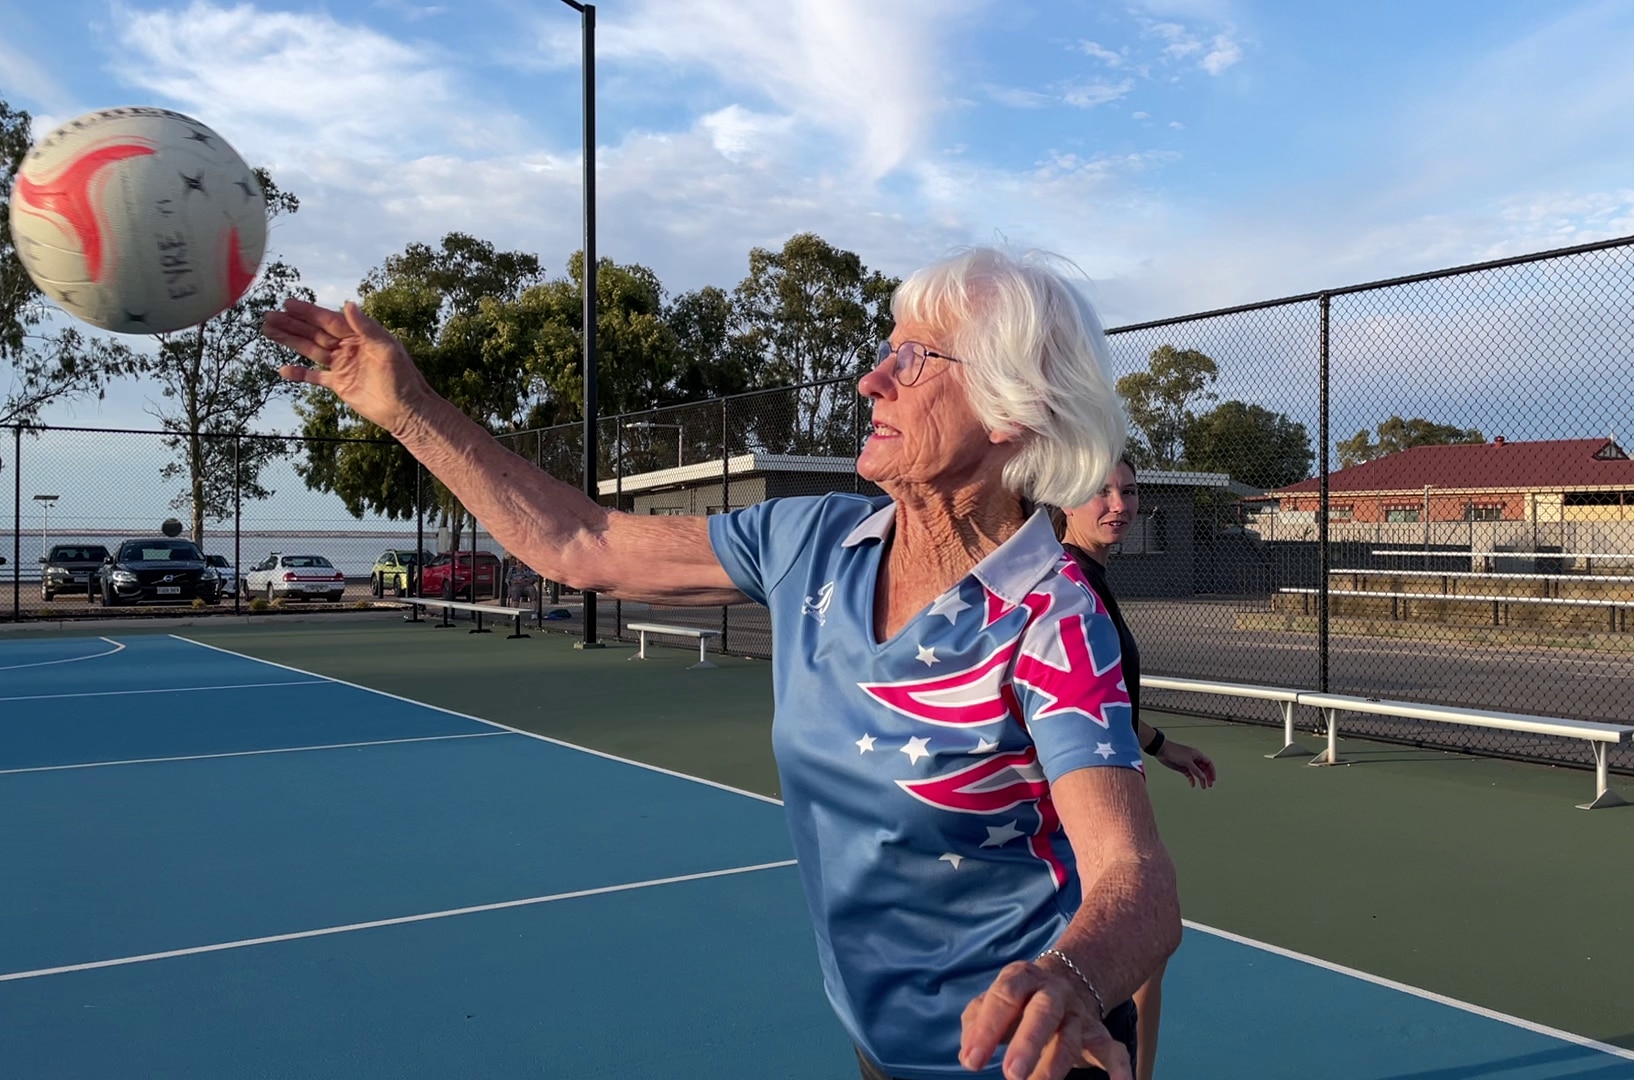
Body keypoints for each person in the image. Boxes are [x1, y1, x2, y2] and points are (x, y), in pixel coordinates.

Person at [264, 247, 1181, 1080]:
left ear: (1012, 411)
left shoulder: (1051, 619)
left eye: (917, 359)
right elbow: (580, 542)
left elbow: (1137, 884)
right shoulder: (814, 541)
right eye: (885, 348)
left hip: (1028, 1056)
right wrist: (406, 408)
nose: (872, 380)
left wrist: (1064, 977)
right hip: (882, 1043)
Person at [1056, 456, 1216, 1080]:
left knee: (1147, 949)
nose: (1118, 503)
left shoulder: (1090, 579)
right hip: (1081, 805)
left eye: (1128, 490)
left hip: (1118, 786)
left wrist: (1159, 743)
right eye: (1100, 491)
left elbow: (1107, 698)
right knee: (1114, 953)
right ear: (1065, 501)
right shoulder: (1066, 587)